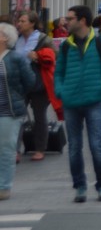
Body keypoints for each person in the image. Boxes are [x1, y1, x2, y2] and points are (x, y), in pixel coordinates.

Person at [54, 5, 101, 203]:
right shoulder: (66, 46)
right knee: (74, 147)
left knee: (96, 145)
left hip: (94, 102)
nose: (66, 22)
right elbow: (59, 72)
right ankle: (80, 186)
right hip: (71, 102)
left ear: (82, 20)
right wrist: (61, 91)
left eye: (70, 18)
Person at [14, 11, 60, 162]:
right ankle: (15, 150)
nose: (19, 24)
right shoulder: (16, 39)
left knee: (39, 116)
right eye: (18, 21)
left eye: (23, 21)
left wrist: (38, 56)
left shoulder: (42, 39)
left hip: (39, 84)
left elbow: (55, 55)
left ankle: (40, 148)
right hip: (19, 83)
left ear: (32, 23)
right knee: (17, 116)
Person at [0, 22, 36, 200]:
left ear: (5, 38)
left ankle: (4, 187)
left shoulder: (15, 58)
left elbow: (30, 81)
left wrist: (17, 95)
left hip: (9, 111)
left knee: (6, 148)